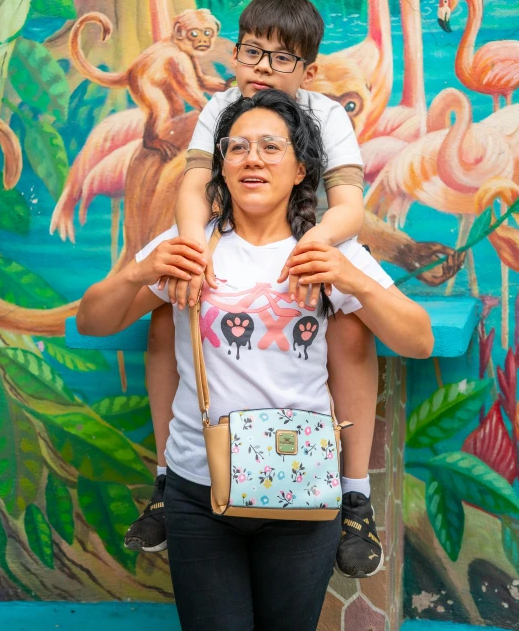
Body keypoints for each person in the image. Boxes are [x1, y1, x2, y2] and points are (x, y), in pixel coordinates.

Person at [78, 91, 432, 629]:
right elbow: (93, 322)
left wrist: (353, 279)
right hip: (199, 488)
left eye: (271, 147)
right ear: (221, 164)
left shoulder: (329, 251)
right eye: (237, 147)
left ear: (301, 170)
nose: (253, 158)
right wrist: (135, 271)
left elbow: (418, 340)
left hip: (302, 486)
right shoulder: (192, 244)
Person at [124, 0, 378, 577]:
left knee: (353, 324)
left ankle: (356, 494)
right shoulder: (221, 108)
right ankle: (170, 479)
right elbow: (194, 185)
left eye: (281, 58)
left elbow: (349, 207)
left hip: (313, 234)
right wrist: (191, 250)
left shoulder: (326, 114)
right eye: (253, 53)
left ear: (308, 71)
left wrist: (315, 248)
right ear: (235, 54)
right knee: (169, 313)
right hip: (229, 230)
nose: (262, 67)